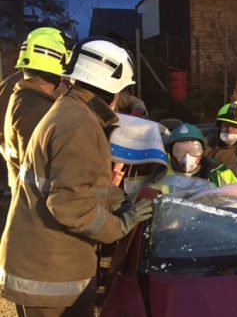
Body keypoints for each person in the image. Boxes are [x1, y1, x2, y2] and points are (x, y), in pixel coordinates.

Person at [0, 36, 153, 316]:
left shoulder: (71, 111)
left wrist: (120, 203)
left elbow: (88, 183)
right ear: (113, 91)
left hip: (45, 264)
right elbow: (71, 205)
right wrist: (120, 225)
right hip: (50, 276)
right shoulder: (79, 124)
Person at [4, 27, 69, 193]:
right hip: (38, 208)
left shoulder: (24, 96)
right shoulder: (35, 109)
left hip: (24, 196)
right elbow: (44, 175)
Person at [151, 122, 237, 191]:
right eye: (179, 151)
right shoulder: (160, 174)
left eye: (194, 150)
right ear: (170, 153)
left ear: (203, 151)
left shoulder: (219, 174)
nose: (187, 157)